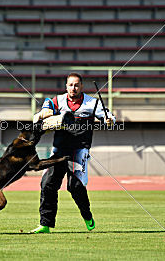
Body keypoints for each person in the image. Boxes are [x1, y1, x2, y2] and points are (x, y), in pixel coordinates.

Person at [31, 72, 115, 233]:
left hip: (79, 150)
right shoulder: (58, 100)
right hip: (58, 151)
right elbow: (47, 107)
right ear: (66, 86)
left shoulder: (93, 103)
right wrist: (43, 114)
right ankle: (45, 224)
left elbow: (107, 116)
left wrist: (110, 120)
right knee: (47, 184)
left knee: (74, 186)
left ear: (81, 86)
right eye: (70, 85)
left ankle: (87, 215)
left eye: (76, 85)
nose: (73, 88)